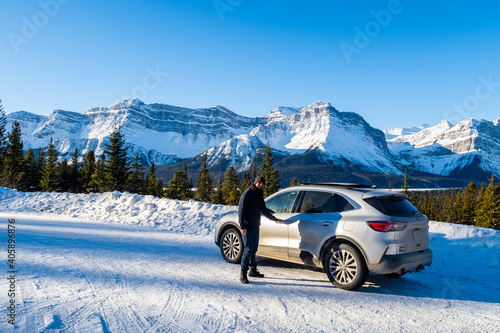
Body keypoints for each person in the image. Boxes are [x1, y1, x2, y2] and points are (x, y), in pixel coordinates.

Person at [238, 176, 283, 284]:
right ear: (255, 183)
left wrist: (275, 219)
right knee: (248, 250)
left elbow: (264, 210)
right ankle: (243, 273)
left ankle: (253, 270)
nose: (261, 185)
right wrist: (242, 227)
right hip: (247, 227)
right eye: (259, 183)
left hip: (255, 226)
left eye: (263, 183)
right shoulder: (247, 194)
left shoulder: (259, 195)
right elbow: (241, 211)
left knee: (254, 250)